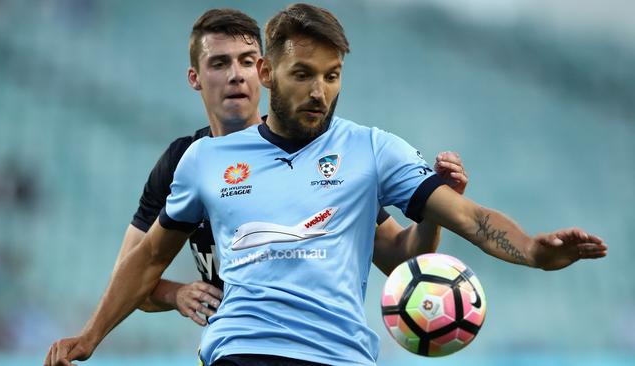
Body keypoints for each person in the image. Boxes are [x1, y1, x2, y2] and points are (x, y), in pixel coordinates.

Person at [44, 4, 607, 366]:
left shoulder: (372, 150)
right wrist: (91, 336)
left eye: (332, 76)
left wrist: (532, 250)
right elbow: (144, 260)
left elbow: (465, 221)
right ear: (272, 75)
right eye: (304, 74)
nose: (320, 91)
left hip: (339, 355)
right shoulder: (200, 160)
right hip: (243, 350)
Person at [114, 8, 468, 327]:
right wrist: (174, 294)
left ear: (265, 72)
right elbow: (130, 278)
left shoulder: (319, 152)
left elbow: (398, 259)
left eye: (247, 62)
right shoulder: (183, 161)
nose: (237, 76)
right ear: (195, 78)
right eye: (220, 64)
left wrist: (432, 211)